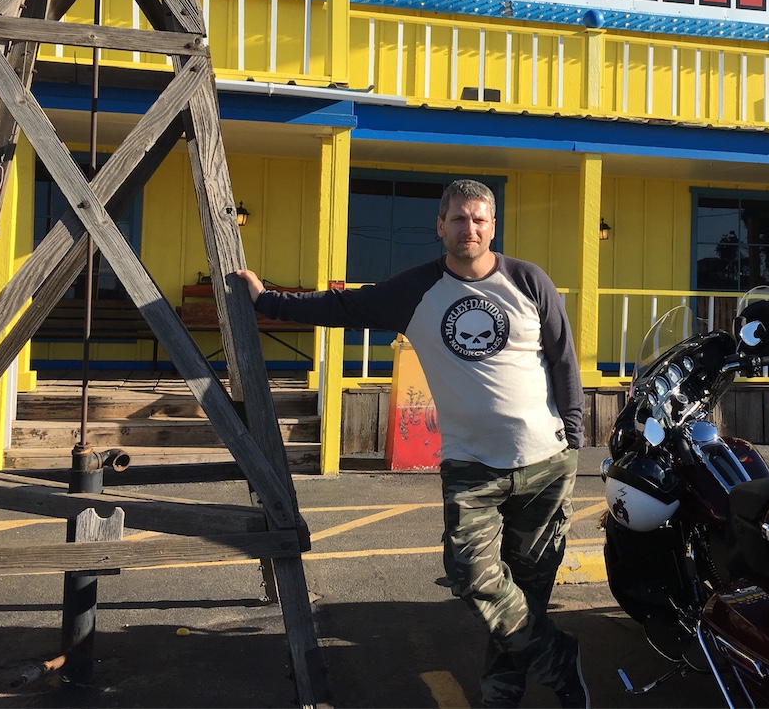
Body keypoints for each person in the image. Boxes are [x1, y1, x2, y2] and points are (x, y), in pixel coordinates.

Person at [234, 178, 590, 709]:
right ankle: (559, 660)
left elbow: (562, 358)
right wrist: (269, 302)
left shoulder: (528, 281)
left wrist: (576, 434)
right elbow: (342, 308)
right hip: (472, 465)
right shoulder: (414, 291)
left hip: (545, 459)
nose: (468, 228)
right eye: (458, 219)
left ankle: (502, 692)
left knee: (527, 591)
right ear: (440, 226)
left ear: (492, 226)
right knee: (473, 576)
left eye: (479, 219)